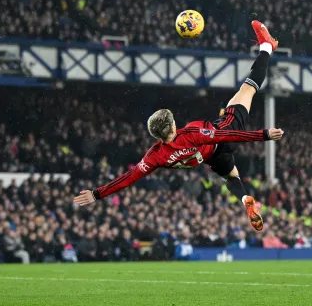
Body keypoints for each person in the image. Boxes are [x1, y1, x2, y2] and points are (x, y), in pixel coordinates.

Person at [74, 20, 281, 232]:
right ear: (173, 125)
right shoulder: (191, 132)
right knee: (248, 88)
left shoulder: (155, 156)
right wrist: (264, 134)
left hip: (211, 157)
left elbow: (128, 178)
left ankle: (245, 197)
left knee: (231, 176)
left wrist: (97, 194)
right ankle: (266, 46)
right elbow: (226, 135)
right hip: (223, 135)